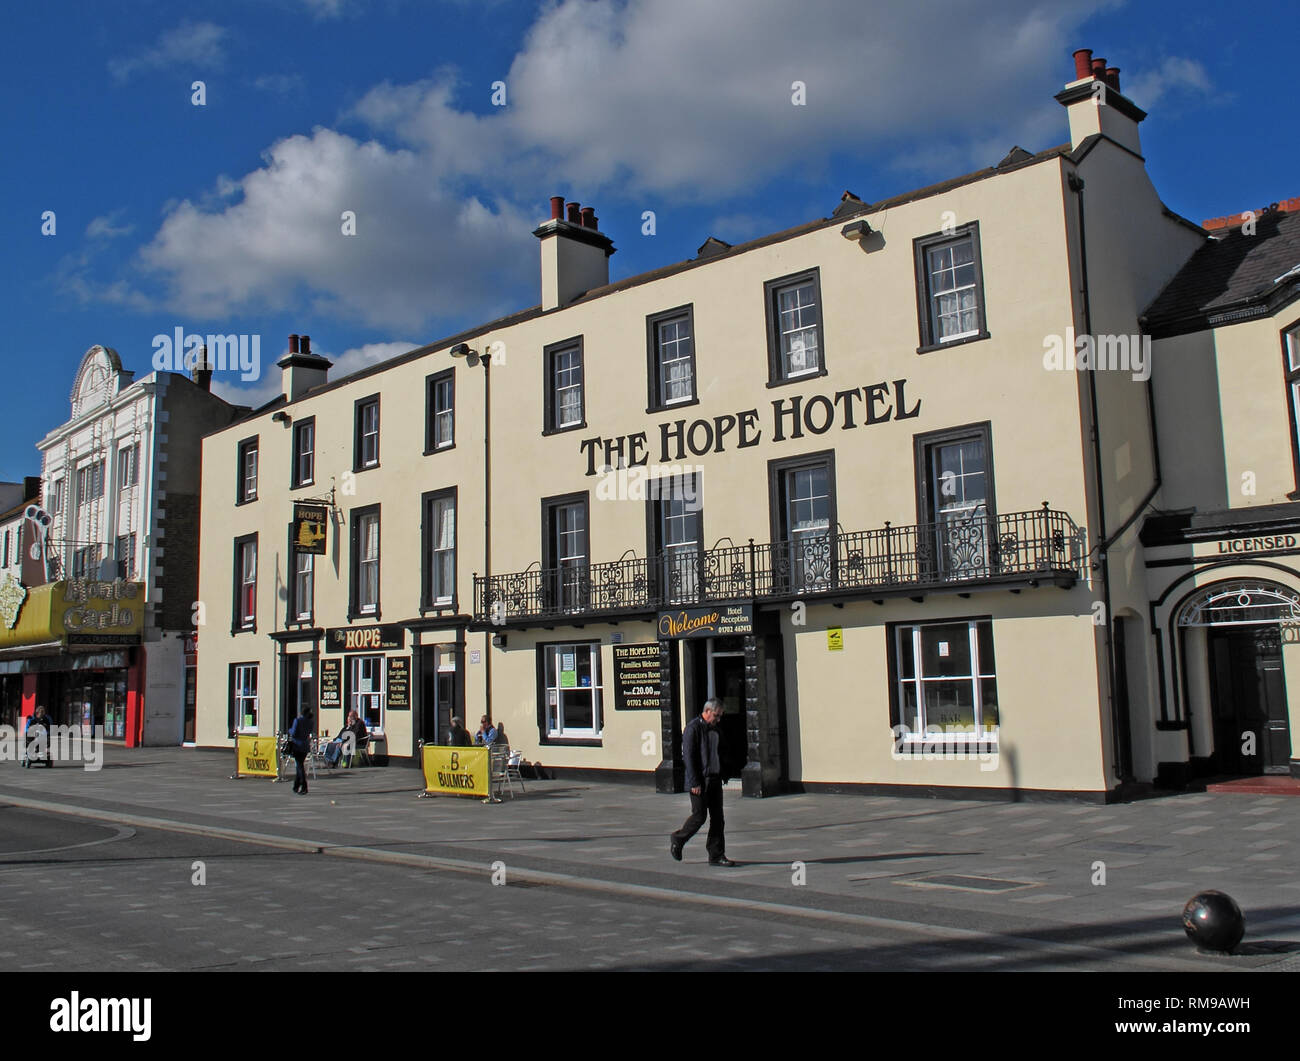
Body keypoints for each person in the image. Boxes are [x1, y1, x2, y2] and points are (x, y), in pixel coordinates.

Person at [669, 699, 735, 866]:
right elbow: (689, 758)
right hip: (700, 782)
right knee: (699, 816)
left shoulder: (716, 730)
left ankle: (716, 855)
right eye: (716, 715)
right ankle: (678, 839)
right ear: (707, 711)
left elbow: (721, 752)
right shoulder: (693, 729)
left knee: (718, 819)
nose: (718, 719)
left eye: (720, 716)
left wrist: (724, 772)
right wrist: (694, 783)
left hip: (714, 779)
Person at [288, 707, 313, 795]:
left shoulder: (297, 720)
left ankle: (304, 786)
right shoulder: (310, 722)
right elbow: (309, 731)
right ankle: (296, 786)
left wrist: (289, 730)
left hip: (297, 745)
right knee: (300, 765)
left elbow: (293, 732)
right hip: (305, 745)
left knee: (299, 766)